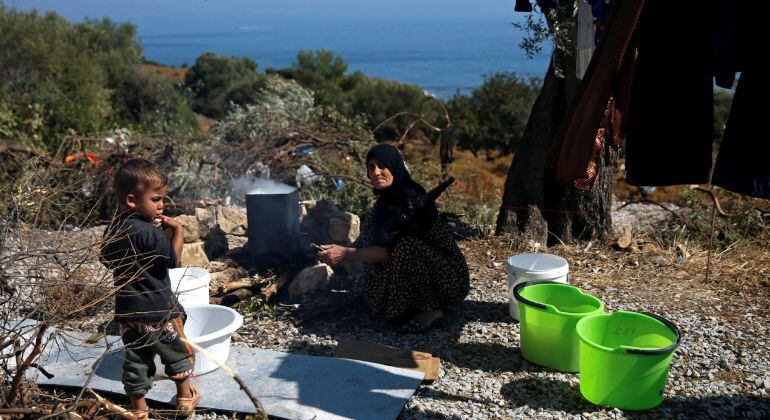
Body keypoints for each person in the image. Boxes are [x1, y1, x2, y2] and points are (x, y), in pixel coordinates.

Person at [318, 144, 470, 332]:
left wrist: (346, 254)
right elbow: (369, 239)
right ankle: (408, 305)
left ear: (395, 166)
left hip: (449, 280)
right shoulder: (386, 201)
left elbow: (390, 252)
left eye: (382, 165)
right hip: (421, 271)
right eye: (371, 167)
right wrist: (335, 253)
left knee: (406, 246)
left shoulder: (411, 199)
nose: (376, 172)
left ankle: (430, 310)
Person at [100, 158, 199, 419]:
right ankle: (185, 399)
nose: (162, 205)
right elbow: (172, 262)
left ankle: (139, 410)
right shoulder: (150, 233)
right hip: (159, 310)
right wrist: (178, 232)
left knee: (136, 360)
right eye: (156, 199)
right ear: (133, 200)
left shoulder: (114, 229)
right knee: (177, 353)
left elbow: (106, 259)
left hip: (128, 313)